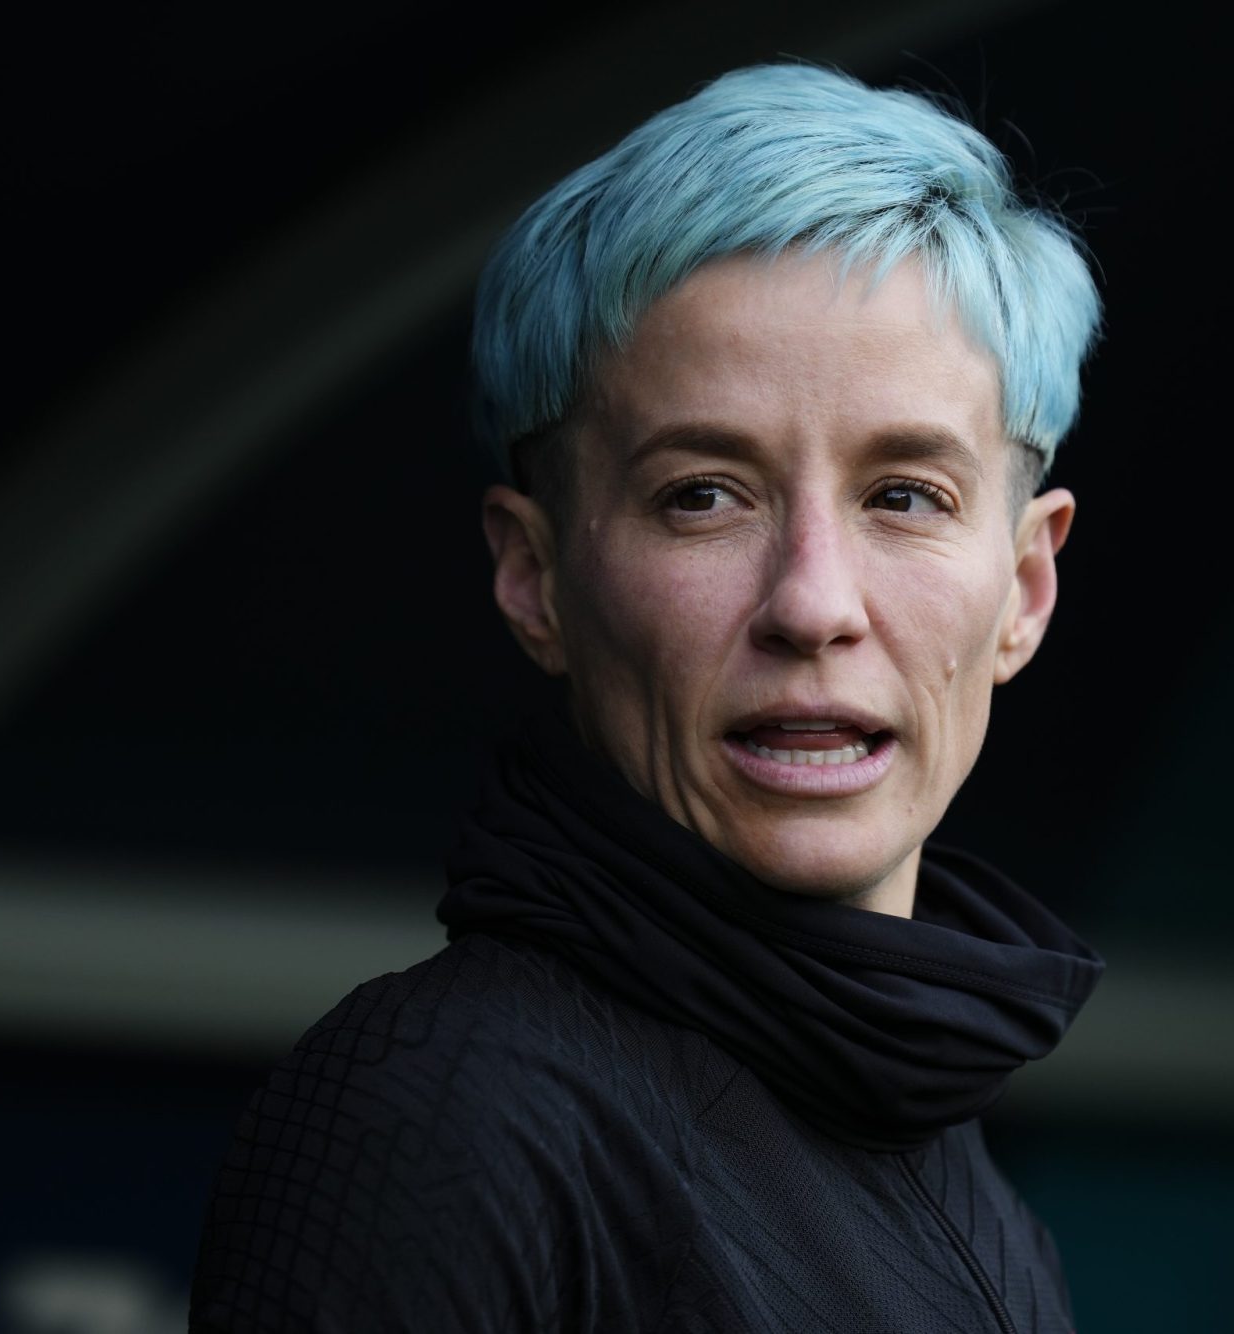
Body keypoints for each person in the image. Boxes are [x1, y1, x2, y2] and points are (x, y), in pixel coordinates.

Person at [191, 62, 1105, 1334]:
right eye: (702, 494)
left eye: (904, 494)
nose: (811, 603)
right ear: (535, 574)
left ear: (1022, 586)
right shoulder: (446, 1110)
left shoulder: (994, 1225)